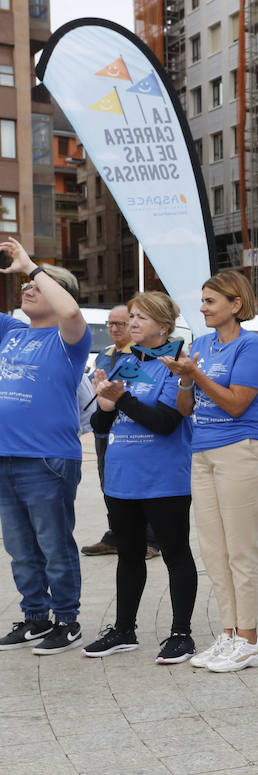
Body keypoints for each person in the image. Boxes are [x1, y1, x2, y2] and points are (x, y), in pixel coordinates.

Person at [162, 269, 258, 673]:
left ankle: (250, 640)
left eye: (211, 301)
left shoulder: (252, 348)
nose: (203, 307)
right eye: (203, 300)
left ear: (236, 305)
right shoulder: (202, 344)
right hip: (204, 453)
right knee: (214, 549)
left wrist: (197, 375)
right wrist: (185, 382)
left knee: (241, 549)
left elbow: (235, 404)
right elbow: (185, 410)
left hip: (243, 451)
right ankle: (228, 634)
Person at [83, 292, 197, 662]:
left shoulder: (174, 364)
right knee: (128, 555)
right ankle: (123, 630)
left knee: (175, 554)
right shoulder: (127, 362)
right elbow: (102, 424)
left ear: (164, 326)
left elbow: (166, 422)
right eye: (131, 316)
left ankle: (181, 634)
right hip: (121, 478)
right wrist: (105, 403)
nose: (132, 323)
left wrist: (122, 399)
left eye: (141, 318)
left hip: (163, 479)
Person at [0, 240, 91, 654]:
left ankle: (67, 620)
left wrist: (32, 266)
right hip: (6, 457)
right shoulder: (12, 332)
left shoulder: (68, 339)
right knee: (20, 549)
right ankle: (35, 616)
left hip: (47, 460)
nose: (28, 287)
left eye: (39, 284)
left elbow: (70, 311)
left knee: (54, 545)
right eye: (26, 283)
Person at [82, 304, 135, 557]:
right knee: (108, 483)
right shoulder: (104, 353)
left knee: (133, 485)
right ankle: (115, 534)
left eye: (120, 324)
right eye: (110, 323)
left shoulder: (139, 354)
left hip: (129, 430)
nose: (114, 328)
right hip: (104, 431)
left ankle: (147, 538)